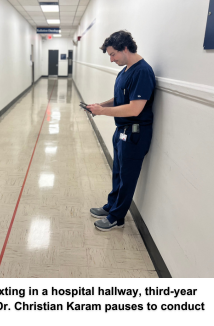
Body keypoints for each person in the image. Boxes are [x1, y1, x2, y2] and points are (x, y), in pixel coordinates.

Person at [86, 30, 155, 231]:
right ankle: (111, 206)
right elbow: (121, 99)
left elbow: (135, 108)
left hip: (135, 134)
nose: (111, 59)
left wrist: (103, 111)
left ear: (125, 48)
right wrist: (101, 106)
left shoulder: (142, 71)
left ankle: (117, 217)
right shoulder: (125, 71)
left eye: (113, 54)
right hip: (122, 131)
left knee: (127, 176)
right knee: (118, 172)